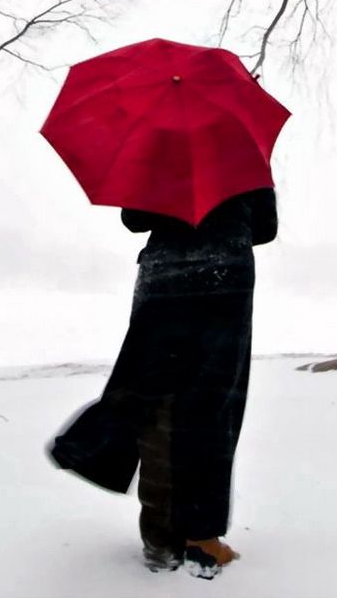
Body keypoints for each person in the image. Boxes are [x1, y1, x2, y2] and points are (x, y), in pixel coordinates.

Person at [48, 186, 277, 580]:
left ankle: (160, 536)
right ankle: (202, 540)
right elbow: (265, 228)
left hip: (165, 278)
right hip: (226, 280)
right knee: (212, 404)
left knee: (153, 393)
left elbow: (133, 219)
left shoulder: (157, 146)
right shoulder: (245, 149)